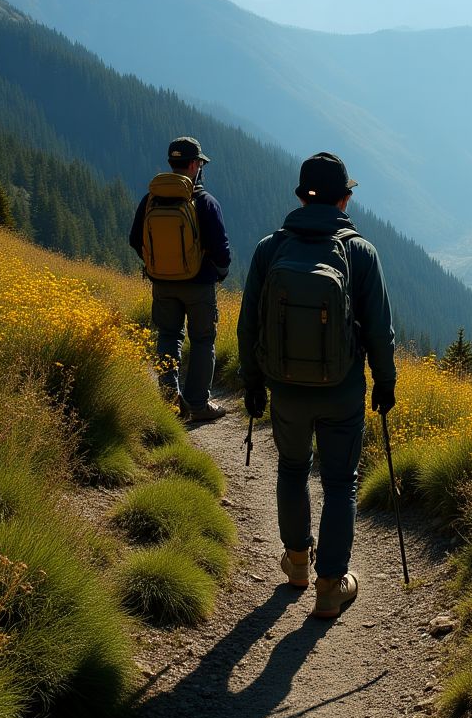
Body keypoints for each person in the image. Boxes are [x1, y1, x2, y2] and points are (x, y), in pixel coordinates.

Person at [237, 152, 396, 619]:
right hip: (341, 388)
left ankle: (297, 564)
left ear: (301, 196)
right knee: (340, 482)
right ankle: (330, 586)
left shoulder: (271, 249)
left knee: (290, 468)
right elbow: (380, 331)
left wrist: (252, 381)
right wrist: (384, 384)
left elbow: (248, 326)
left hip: (285, 388)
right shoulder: (359, 252)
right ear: (344, 197)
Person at [129, 136, 231, 422]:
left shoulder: (150, 200)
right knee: (202, 341)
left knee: (168, 336)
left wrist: (157, 265)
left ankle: (169, 402)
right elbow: (222, 250)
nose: (200, 166)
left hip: (162, 283)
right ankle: (198, 405)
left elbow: (135, 239)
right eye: (199, 162)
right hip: (199, 285)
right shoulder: (204, 202)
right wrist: (218, 273)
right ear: (193, 164)